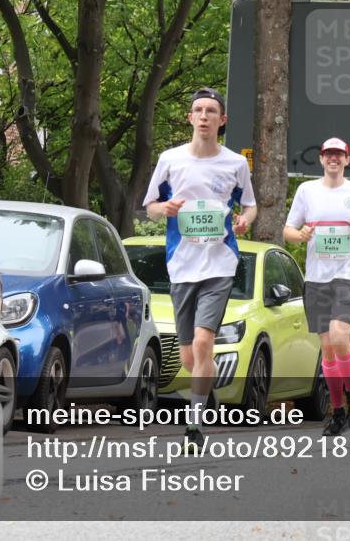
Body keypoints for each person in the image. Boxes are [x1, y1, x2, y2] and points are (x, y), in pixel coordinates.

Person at [142, 87, 256, 448]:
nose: (204, 116)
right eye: (198, 110)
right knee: (192, 357)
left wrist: (244, 222)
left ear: (221, 121)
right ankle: (208, 395)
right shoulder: (170, 160)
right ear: (190, 118)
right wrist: (165, 209)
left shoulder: (235, 164)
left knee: (205, 341)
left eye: (211, 111)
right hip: (181, 265)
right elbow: (149, 206)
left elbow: (250, 206)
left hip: (220, 263)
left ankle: (194, 426)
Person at [284, 137, 350, 436]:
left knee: (339, 337)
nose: (334, 159)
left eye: (339, 155)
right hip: (316, 277)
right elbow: (288, 230)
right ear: (321, 159)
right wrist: (301, 235)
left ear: (347, 160)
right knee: (327, 349)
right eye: (328, 155)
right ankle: (338, 411)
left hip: (348, 274)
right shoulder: (306, 190)